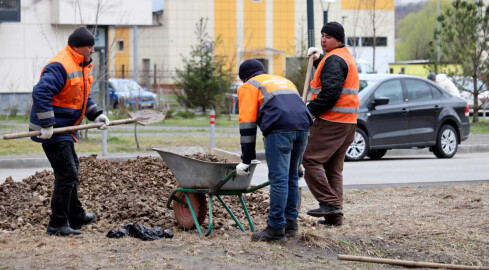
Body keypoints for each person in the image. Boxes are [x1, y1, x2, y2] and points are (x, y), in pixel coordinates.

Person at [29, 26, 110, 236]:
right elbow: (41, 92)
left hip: (65, 128)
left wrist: (96, 114)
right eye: (89, 47)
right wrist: (46, 124)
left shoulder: (81, 64)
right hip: (52, 129)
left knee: (72, 169)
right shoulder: (60, 65)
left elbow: (82, 97)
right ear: (78, 47)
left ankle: (76, 216)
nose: (93, 50)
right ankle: (57, 224)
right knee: (67, 174)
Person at [235, 59, 312, 242]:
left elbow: (247, 126)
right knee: (292, 176)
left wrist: (246, 160)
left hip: (280, 131)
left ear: (244, 77)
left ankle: (276, 228)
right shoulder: (283, 81)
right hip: (304, 128)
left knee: (279, 180)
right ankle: (291, 225)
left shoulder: (249, 86)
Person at [302, 22, 359, 227]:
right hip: (348, 123)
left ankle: (330, 203)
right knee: (333, 169)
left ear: (339, 40)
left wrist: (307, 110)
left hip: (332, 122)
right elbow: (332, 77)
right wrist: (319, 60)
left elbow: (330, 94)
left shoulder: (335, 59)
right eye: (322, 35)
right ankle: (335, 218)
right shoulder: (343, 57)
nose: (323, 39)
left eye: (328, 37)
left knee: (309, 159)